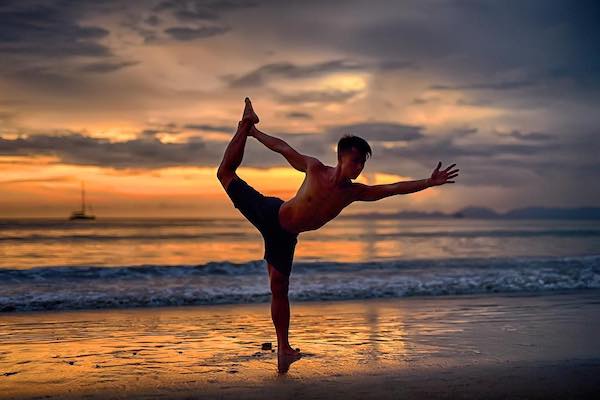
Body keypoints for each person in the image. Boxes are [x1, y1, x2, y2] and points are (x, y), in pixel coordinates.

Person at [216, 98, 459, 372]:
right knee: (224, 173)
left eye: (362, 164)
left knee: (279, 288)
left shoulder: (354, 193)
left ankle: (283, 350)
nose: (358, 168)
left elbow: (393, 188)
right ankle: (245, 124)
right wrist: (255, 133)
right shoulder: (314, 168)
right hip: (270, 213)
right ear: (341, 158)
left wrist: (428, 182)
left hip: (285, 237)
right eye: (355, 161)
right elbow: (283, 148)